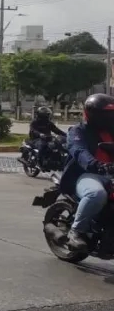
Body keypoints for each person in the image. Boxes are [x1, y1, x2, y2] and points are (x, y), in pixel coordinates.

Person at [58, 94, 114, 252]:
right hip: (87, 174)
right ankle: (76, 231)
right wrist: (96, 165)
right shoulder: (78, 131)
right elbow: (79, 151)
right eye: (105, 114)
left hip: (111, 174)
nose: (109, 117)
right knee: (96, 194)